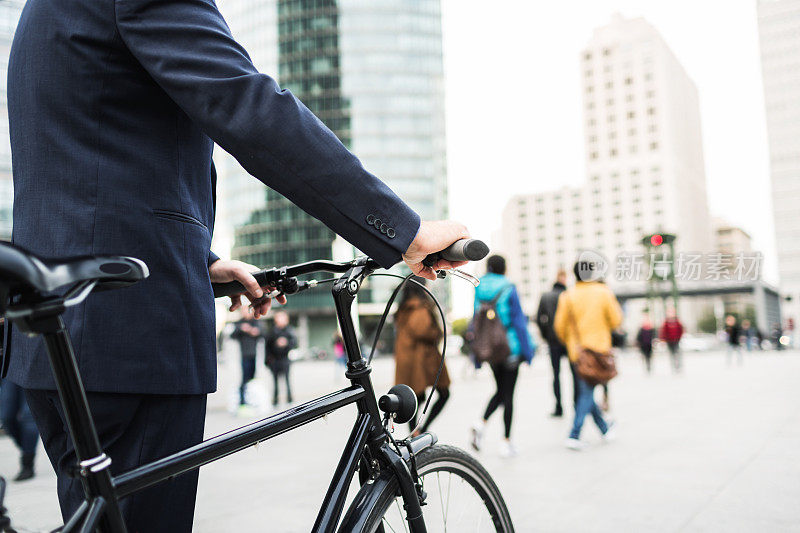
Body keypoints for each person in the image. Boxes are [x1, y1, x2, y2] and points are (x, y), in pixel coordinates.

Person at [3, 0, 471, 528]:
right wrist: (402, 230)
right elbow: (250, 107)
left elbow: (88, 153)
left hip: (65, 328)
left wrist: (200, 261)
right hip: (133, 332)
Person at [470, 255, 535, 458]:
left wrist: (476, 357)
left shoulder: (479, 288)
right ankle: (506, 442)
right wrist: (528, 351)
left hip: (490, 349)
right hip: (510, 347)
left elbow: (475, 322)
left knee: (500, 390)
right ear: (504, 269)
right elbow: (519, 322)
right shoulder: (509, 287)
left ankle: (481, 424)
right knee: (508, 395)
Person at [554, 260, 622, 451]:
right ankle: (574, 434)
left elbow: (560, 326)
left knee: (586, 390)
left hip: (578, 352)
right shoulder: (603, 292)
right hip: (599, 350)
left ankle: (605, 428)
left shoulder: (568, 295)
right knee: (586, 392)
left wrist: (570, 342)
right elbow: (616, 319)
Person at [394, 278, 450, 435]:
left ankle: (415, 432)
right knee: (442, 393)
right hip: (423, 359)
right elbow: (422, 330)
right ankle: (418, 431)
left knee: (417, 396)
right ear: (422, 287)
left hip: (410, 359)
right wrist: (437, 332)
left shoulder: (404, 308)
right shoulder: (419, 307)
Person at [536, 269, 577, 417]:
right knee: (575, 374)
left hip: (553, 341)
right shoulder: (570, 295)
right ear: (565, 279)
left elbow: (539, 318)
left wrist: (546, 335)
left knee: (556, 375)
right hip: (569, 341)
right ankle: (576, 404)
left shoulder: (546, 296)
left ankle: (559, 407)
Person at [230, 306, 264, 415]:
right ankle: (242, 401)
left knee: (253, 379)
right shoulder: (239, 323)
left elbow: (262, 333)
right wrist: (242, 328)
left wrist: (251, 330)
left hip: (255, 355)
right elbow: (232, 335)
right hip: (243, 356)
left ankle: (252, 400)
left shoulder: (256, 322)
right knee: (244, 380)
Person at [265, 311, 297, 407]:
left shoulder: (289, 330)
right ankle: (275, 400)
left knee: (287, 380)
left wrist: (286, 343)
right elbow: (267, 346)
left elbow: (294, 342)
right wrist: (267, 361)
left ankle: (289, 399)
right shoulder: (272, 331)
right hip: (275, 360)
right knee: (275, 381)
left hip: (285, 359)